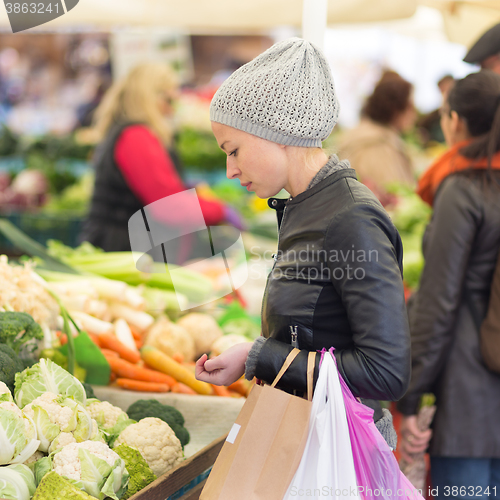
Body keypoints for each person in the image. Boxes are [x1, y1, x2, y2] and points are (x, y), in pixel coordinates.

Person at [195, 38, 411, 448]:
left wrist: (259, 355)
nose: (229, 169)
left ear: (278, 132)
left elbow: (386, 371)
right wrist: (251, 355)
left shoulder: (350, 218)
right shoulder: (305, 204)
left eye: (234, 150)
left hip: (339, 453)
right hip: (306, 437)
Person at [397, 71, 500, 495]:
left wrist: (410, 395)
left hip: (468, 398)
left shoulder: (461, 189)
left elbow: (438, 303)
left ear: (455, 120)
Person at [80, 63, 242, 254]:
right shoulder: (136, 137)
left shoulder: (130, 132)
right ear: (153, 98)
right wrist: (220, 210)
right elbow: (169, 207)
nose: (171, 111)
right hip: (124, 248)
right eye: (170, 100)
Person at [336, 70, 417, 197]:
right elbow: (391, 197)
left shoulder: (368, 135)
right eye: (410, 106)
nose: (414, 112)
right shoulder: (376, 146)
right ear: (396, 109)